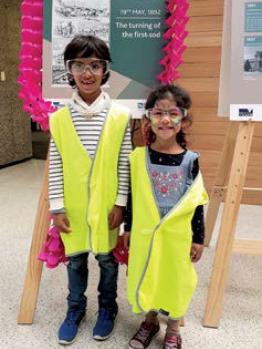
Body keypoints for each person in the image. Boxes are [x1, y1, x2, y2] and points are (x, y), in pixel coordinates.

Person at [48, 35, 132, 345]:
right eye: (79, 65)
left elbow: (124, 164)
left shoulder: (121, 116)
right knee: (76, 259)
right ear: (69, 69)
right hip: (73, 206)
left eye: (95, 65)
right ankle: (75, 309)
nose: (87, 73)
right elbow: (55, 166)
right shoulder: (58, 119)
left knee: (107, 260)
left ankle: (108, 308)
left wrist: (121, 203)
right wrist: (56, 207)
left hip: (107, 205)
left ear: (105, 70)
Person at [124, 85, 208, 349]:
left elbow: (196, 202)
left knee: (175, 277)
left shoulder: (190, 160)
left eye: (173, 113)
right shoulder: (138, 158)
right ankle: (150, 321)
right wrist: (128, 228)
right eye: (158, 113)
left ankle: (173, 328)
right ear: (148, 117)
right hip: (145, 234)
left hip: (177, 237)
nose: (165, 119)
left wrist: (198, 237)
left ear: (183, 120)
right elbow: (132, 197)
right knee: (149, 272)